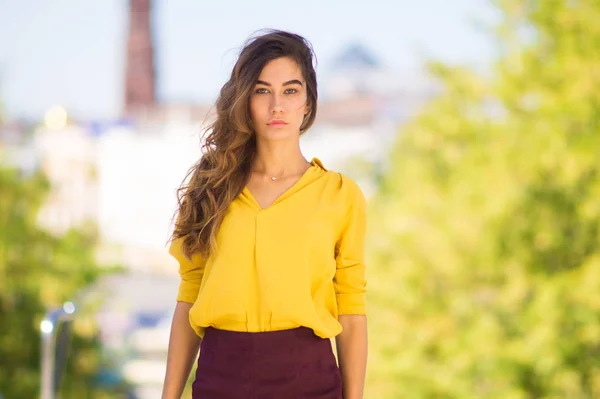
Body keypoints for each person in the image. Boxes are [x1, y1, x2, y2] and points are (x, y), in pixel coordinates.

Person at [161, 30, 368, 399]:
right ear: (245, 101)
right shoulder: (209, 187)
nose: (277, 106)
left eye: (290, 91)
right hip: (220, 379)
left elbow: (351, 311)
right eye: (262, 91)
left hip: (310, 380)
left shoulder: (340, 195)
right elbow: (190, 293)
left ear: (307, 102)